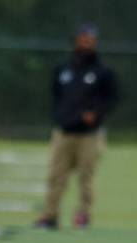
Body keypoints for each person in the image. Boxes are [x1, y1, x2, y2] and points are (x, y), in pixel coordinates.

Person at [35, 23, 119, 230]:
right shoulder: (63, 69)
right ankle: (50, 215)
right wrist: (59, 116)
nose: (86, 42)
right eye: (83, 38)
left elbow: (112, 98)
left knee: (86, 177)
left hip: (89, 135)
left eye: (90, 39)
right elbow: (55, 95)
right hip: (63, 132)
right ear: (76, 40)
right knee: (56, 175)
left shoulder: (103, 71)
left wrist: (96, 114)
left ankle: (83, 215)